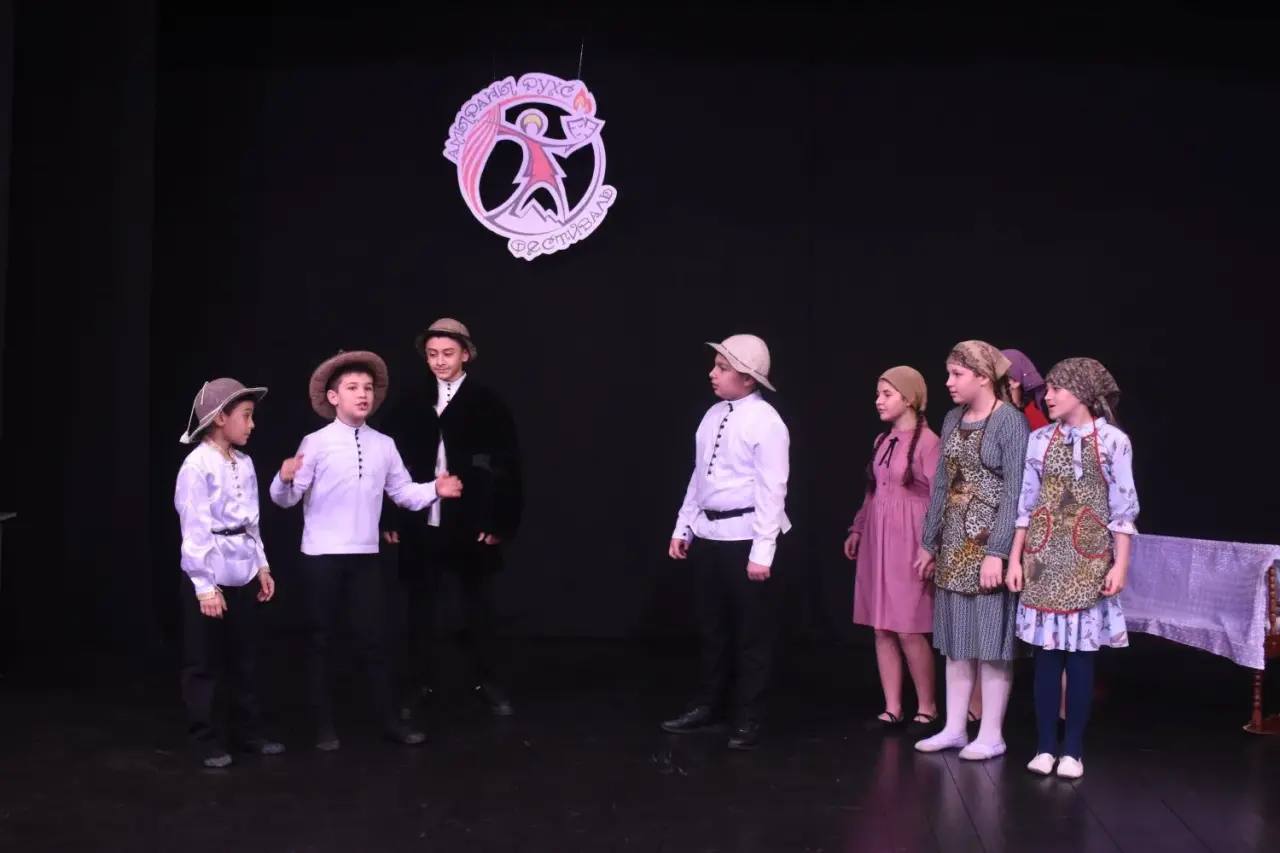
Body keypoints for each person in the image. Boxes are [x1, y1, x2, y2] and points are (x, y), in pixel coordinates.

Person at [270, 351, 462, 750]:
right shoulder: (316, 443)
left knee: (375, 639)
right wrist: (284, 478)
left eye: (368, 388)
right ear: (333, 397)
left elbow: (403, 493)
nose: (363, 395)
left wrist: (435, 489)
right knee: (321, 640)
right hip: (321, 556)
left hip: (365, 557)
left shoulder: (384, 445)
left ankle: (390, 721)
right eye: (353, 388)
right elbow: (286, 499)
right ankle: (323, 726)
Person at [383, 319, 524, 719]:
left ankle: (487, 681)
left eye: (447, 353)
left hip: (470, 519)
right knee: (420, 607)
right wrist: (390, 516)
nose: (440, 362)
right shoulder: (411, 401)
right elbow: (390, 463)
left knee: (478, 605)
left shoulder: (487, 402)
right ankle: (419, 683)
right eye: (432, 354)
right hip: (420, 516)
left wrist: (499, 520)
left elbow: (508, 465)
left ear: (466, 354)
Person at [1008, 358, 1137, 780]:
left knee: (1081, 657)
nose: (1047, 396)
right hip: (1044, 557)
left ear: (1080, 393)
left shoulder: (1113, 441)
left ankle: (1073, 750)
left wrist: (1120, 565)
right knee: (1046, 657)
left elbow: (1123, 509)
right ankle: (1045, 745)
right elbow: (1026, 504)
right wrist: (1015, 558)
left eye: (1056, 389)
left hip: (1088, 559)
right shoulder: (1040, 440)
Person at [661, 334, 790, 750]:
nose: (712, 374)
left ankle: (749, 716)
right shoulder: (712, 414)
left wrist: (762, 551)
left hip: (745, 537)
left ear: (748, 378)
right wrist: (684, 526)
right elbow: (700, 476)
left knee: (752, 634)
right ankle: (708, 705)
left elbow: (772, 489)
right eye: (715, 366)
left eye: (722, 368)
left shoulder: (766, 422)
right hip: (710, 535)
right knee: (712, 628)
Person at [913, 341, 1029, 760]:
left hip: (989, 545)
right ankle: (955, 727)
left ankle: (992, 733)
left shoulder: (1010, 422)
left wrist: (998, 552)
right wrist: (929, 541)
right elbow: (943, 484)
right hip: (954, 543)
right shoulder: (952, 418)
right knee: (957, 641)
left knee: (991, 643)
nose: (949, 382)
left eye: (957, 374)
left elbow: (1016, 491)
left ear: (982, 377)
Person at [175, 378, 284, 767]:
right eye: (246, 416)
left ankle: (247, 732)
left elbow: (251, 521)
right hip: (210, 571)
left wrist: (261, 565)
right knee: (204, 661)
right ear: (220, 418)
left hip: (243, 568)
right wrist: (205, 585)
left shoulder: (245, 463)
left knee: (245, 658)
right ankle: (204, 738)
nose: (251, 425)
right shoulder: (197, 465)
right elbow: (194, 528)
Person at [842, 366, 941, 733]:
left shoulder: (929, 442)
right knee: (882, 626)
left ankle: (928, 707)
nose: (878, 401)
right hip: (878, 538)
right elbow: (872, 492)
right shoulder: (882, 441)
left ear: (909, 398)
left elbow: (939, 498)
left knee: (907, 627)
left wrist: (931, 545)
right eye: (878, 394)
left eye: (887, 394)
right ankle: (893, 706)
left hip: (909, 538)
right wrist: (858, 528)